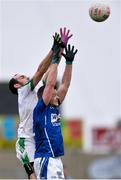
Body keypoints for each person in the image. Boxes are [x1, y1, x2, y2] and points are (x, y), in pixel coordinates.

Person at [8, 27, 72, 179]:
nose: (26, 76)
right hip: (27, 140)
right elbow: (40, 71)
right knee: (33, 176)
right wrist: (53, 49)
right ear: (17, 85)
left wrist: (61, 48)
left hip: (39, 138)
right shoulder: (23, 92)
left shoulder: (35, 88)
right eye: (21, 76)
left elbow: (50, 72)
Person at [33, 43, 78, 179]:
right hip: (46, 158)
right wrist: (54, 61)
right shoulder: (41, 109)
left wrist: (69, 63)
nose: (56, 94)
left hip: (56, 159)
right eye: (53, 93)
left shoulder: (55, 104)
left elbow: (65, 85)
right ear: (45, 96)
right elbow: (50, 84)